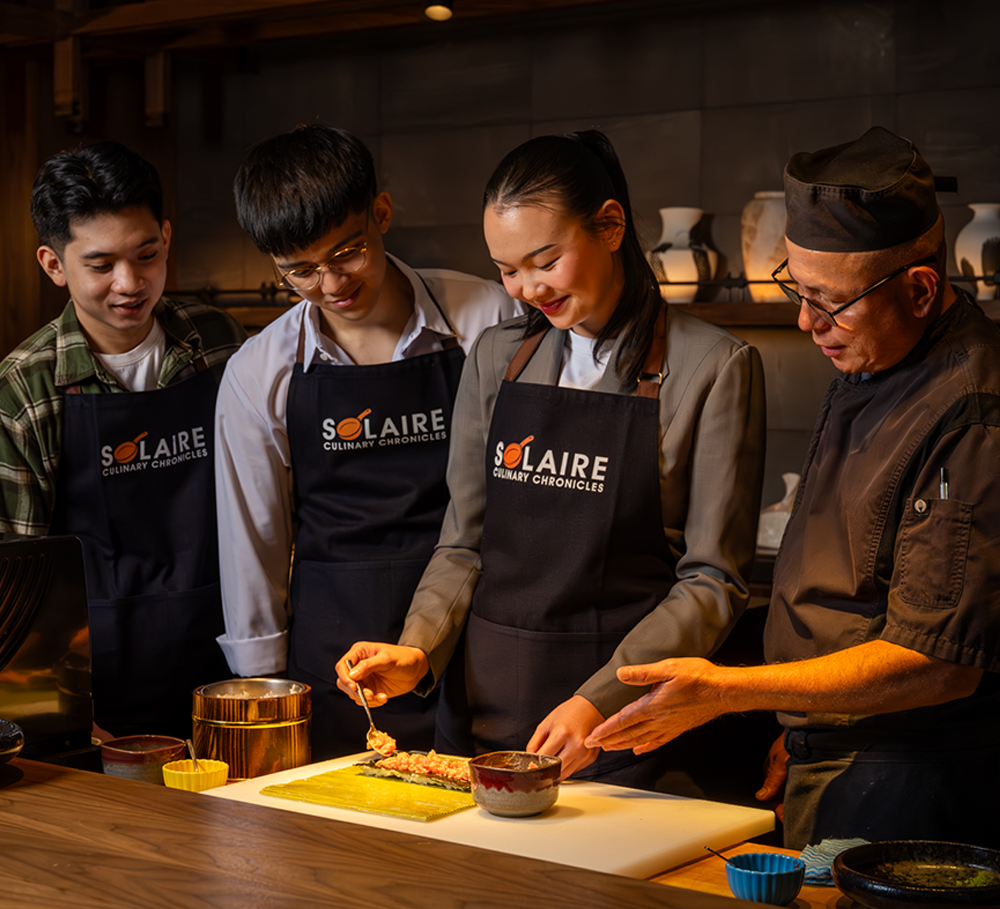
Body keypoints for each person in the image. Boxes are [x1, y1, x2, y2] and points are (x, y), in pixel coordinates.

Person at [585, 126, 1000, 848]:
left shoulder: (971, 407)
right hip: (836, 750)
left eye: (829, 302)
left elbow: (935, 664)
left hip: (913, 779)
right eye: (796, 290)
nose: (807, 322)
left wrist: (727, 693)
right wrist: (798, 724)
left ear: (922, 288)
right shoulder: (874, 353)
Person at [335, 130, 766, 788]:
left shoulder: (714, 366)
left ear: (610, 226)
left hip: (620, 724)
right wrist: (417, 648)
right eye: (508, 269)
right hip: (482, 708)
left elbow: (712, 581)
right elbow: (464, 544)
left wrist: (599, 701)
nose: (526, 288)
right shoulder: (495, 359)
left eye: (544, 260)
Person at [214, 123, 520, 760]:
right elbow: (255, 544)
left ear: (381, 213)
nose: (331, 286)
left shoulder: (487, 319)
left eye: (346, 253)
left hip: (477, 632)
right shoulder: (259, 370)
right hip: (336, 649)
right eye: (299, 272)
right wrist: (264, 687)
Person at [0, 140, 247, 737]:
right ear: (54, 264)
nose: (130, 282)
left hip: (227, 664)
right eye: (101, 264)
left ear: (166, 235)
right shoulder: (27, 386)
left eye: (147, 254)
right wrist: (52, 720)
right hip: (93, 694)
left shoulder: (218, 343)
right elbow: (16, 573)